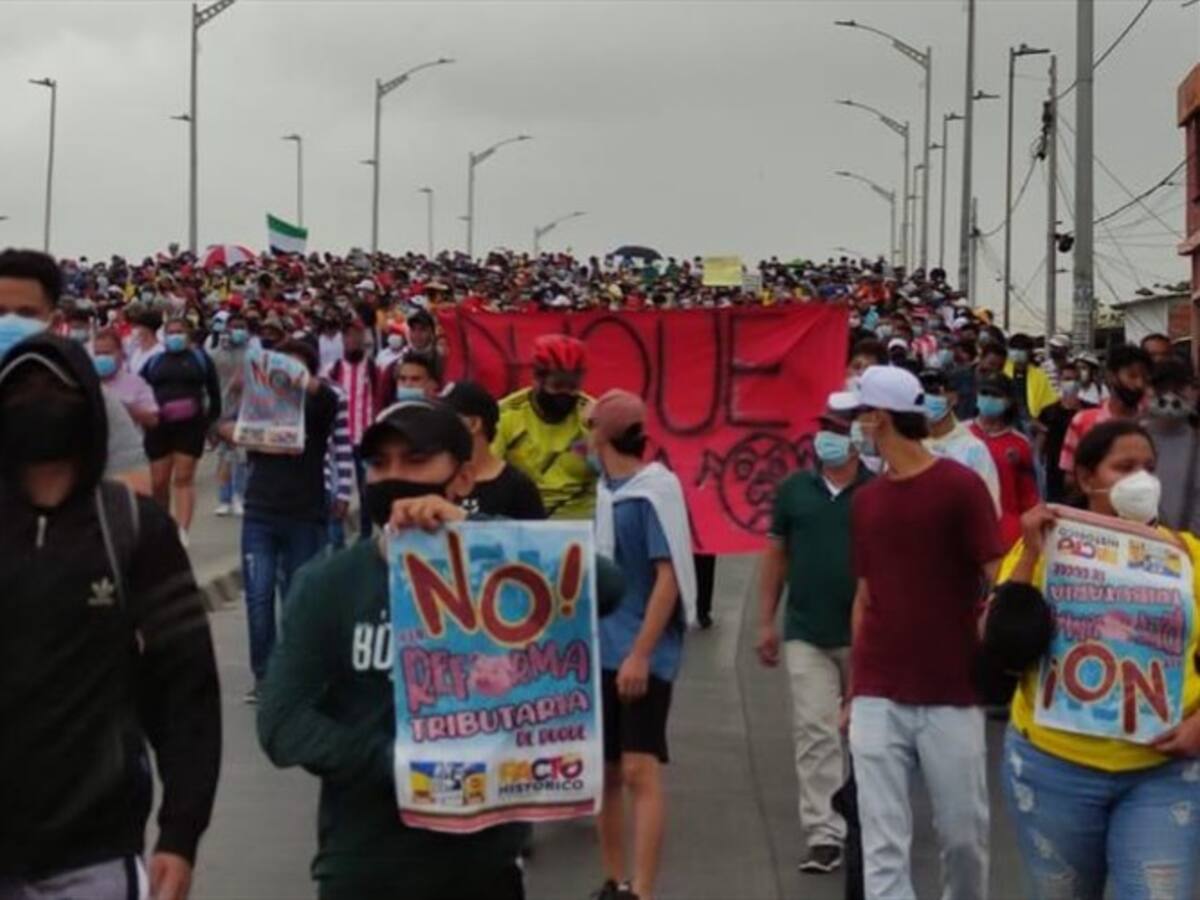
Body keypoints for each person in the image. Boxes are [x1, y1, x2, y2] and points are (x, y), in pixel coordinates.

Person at [255, 398, 528, 900]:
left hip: (481, 862)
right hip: (365, 863)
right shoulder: (329, 584)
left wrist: (470, 541)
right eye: (380, 464)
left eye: (416, 461)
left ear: (463, 479)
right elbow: (281, 724)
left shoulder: (501, 569)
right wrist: (404, 763)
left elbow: (607, 589)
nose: (393, 478)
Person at [0, 333, 220, 900]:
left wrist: (180, 833)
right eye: (19, 387)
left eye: (55, 387)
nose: (37, 399)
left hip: (94, 855)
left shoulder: (134, 528)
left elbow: (187, 690)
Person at [997, 420, 1200, 898]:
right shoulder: (1043, 548)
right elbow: (1003, 643)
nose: (1142, 480)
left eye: (1149, 468)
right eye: (1125, 467)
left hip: (1164, 773)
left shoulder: (1187, 557)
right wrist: (1029, 556)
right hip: (1053, 769)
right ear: (1088, 478)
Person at [844, 365, 1003, 900]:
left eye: (859, 415)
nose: (854, 426)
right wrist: (852, 690)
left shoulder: (959, 488)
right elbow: (865, 595)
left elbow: (994, 575)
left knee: (963, 837)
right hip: (877, 690)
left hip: (950, 691)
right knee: (882, 844)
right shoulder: (866, 501)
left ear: (880, 418)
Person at [756, 400, 871, 875]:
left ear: (858, 438)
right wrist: (766, 620)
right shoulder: (793, 491)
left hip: (867, 636)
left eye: (838, 430)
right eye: (823, 428)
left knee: (867, 738)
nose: (828, 438)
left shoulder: (877, 494)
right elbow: (776, 556)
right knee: (815, 731)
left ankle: (868, 820)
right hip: (805, 631)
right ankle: (824, 833)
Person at [590, 389, 696, 900]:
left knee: (638, 767)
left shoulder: (655, 491)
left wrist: (641, 652)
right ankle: (613, 880)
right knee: (605, 772)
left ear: (604, 434)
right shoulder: (603, 493)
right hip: (600, 647)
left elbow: (668, 578)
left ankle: (644, 889)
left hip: (643, 651)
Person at [237, 339, 340, 702]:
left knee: (298, 598)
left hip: (305, 513)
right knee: (258, 597)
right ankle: (265, 676)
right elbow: (223, 423)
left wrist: (299, 377)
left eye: (295, 366)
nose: (286, 372)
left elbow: (328, 401)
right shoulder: (263, 403)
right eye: (280, 365)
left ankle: (300, 672)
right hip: (259, 512)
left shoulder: (319, 404)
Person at [0, 248, 151, 495]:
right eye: (0, 312)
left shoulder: (87, 398)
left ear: (54, 320)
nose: (10, 322)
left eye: (27, 313)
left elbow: (135, 487)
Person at [494, 334, 596, 519]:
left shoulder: (593, 415)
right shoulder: (506, 414)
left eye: (572, 386)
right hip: (523, 524)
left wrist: (600, 433)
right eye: (557, 386)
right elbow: (487, 472)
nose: (565, 393)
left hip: (582, 528)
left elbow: (618, 474)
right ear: (537, 379)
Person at [139, 318, 221, 542]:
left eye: (179, 332)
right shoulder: (154, 362)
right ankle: (161, 526)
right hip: (159, 428)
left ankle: (182, 531)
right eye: (171, 332)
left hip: (191, 427)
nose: (175, 336)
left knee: (183, 478)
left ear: (187, 335)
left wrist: (211, 423)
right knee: (158, 482)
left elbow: (214, 393)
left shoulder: (200, 359)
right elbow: (139, 389)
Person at [441, 379, 545, 519]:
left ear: (474, 424)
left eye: (447, 417)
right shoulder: (437, 480)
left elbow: (533, 538)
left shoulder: (518, 488)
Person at [969, 373, 1040, 550]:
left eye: (996, 395)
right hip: (963, 531)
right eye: (984, 393)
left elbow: (1028, 496)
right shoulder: (960, 435)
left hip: (1005, 535)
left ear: (1008, 402)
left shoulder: (1020, 444)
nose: (988, 399)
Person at [1059, 343, 1152, 477]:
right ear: (1111, 376)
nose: (1139, 384)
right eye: (1132, 376)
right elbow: (1071, 477)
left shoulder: (1152, 423)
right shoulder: (1083, 421)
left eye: (1144, 377)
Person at [325, 322, 380, 538]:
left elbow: (380, 401)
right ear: (343, 339)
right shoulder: (333, 369)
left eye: (358, 335)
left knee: (366, 492)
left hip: (365, 440)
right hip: (339, 442)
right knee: (337, 491)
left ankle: (365, 535)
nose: (353, 340)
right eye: (349, 335)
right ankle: (336, 540)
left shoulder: (373, 369)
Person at [920, 369, 1001, 515]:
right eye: (921, 394)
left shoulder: (974, 449)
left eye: (934, 392)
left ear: (953, 397)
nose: (927, 398)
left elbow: (990, 507)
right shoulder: (908, 446)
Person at [1143, 357, 1200, 532]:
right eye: (1162, 388)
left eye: (1178, 389)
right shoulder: (1130, 437)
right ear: (1148, 390)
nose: (1169, 396)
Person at [1035, 358, 1093, 504]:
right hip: (1054, 471)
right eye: (1067, 379)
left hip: (1082, 470)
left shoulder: (1090, 410)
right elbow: (1039, 447)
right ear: (1060, 381)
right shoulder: (1048, 412)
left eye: (1075, 379)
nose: (1071, 383)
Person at [209, 313, 250, 516]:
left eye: (242, 326)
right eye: (235, 327)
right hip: (224, 409)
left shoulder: (254, 353)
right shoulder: (217, 354)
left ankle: (239, 496)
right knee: (224, 456)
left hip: (247, 410)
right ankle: (224, 498)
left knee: (241, 456)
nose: (238, 331)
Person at [91, 327, 159, 431]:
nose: (102, 358)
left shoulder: (135, 383)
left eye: (107, 353)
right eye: (98, 354)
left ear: (120, 353)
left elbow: (153, 420)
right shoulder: (87, 383)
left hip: (126, 443)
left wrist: (125, 409)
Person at [1004, 333, 1059, 428]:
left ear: (1029, 351)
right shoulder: (1002, 370)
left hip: (1032, 425)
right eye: (1014, 348)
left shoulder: (1039, 375)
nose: (1017, 352)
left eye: (1021, 349)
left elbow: (1049, 404)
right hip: (1005, 421)